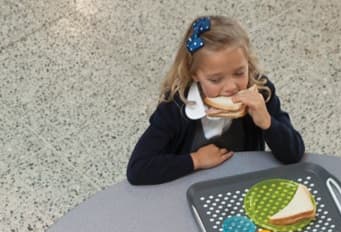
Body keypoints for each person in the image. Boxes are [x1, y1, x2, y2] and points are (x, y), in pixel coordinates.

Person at [126, 15, 304, 185]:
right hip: (188, 187)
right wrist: (195, 160)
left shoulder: (261, 92)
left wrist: (267, 122)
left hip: (243, 181)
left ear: (248, 64)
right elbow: (138, 168)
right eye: (216, 80)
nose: (231, 87)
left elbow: (294, 153)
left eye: (239, 73)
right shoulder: (175, 107)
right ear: (194, 74)